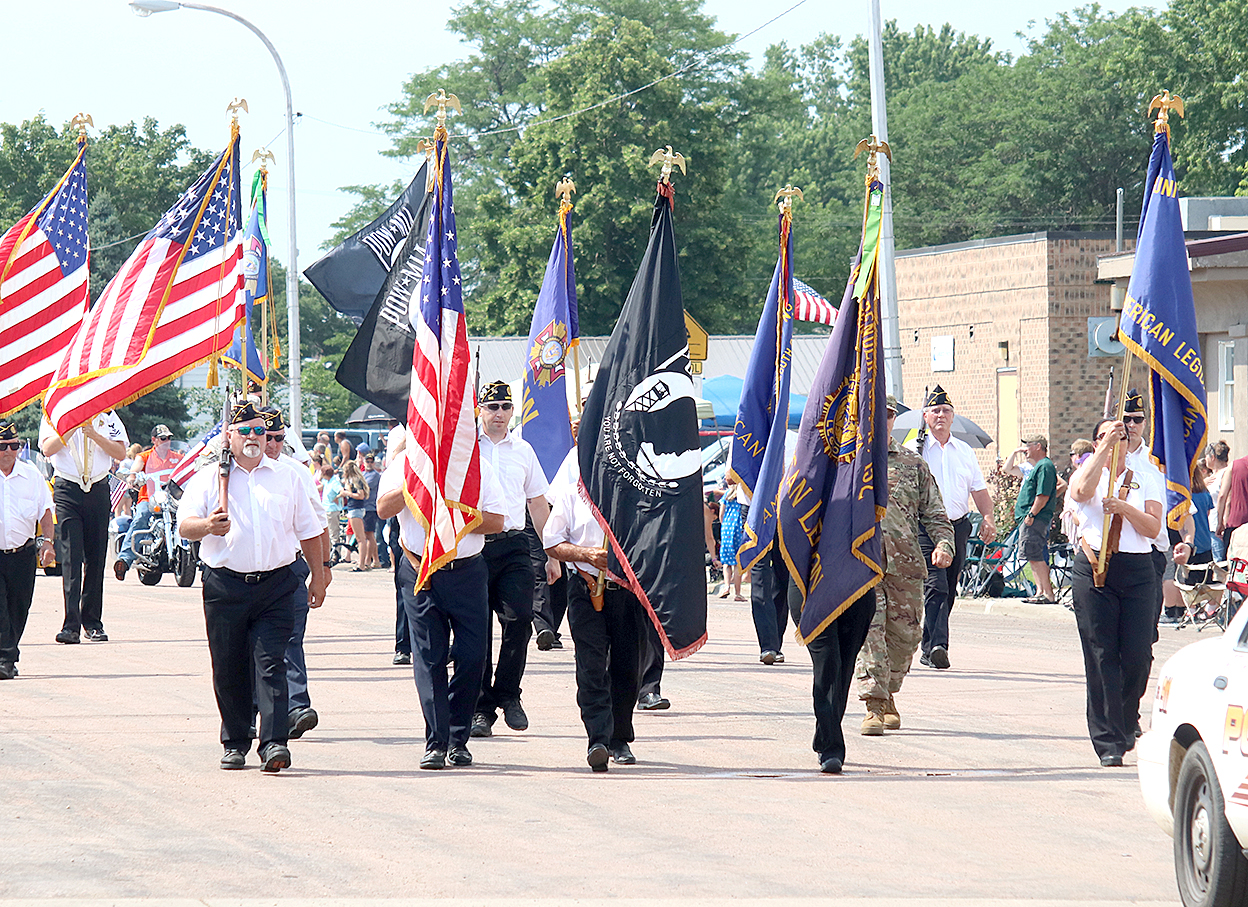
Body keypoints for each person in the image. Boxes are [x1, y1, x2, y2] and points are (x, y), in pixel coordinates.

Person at [178, 401, 327, 772]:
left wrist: (319, 576)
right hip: (225, 585)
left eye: (259, 431)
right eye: (244, 431)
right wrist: (208, 527)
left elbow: (309, 531)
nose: (254, 438)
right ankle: (235, 739)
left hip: (276, 584)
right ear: (229, 436)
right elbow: (186, 526)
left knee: (270, 662)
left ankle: (274, 742)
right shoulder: (209, 478)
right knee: (229, 667)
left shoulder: (287, 476)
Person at [376, 450, 506, 769]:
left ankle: (458, 738)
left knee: (473, 655)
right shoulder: (406, 464)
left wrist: (452, 509)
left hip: (466, 571)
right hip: (420, 569)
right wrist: (418, 487)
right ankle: (437, 741)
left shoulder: (476, 466)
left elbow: (498, 521)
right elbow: (382, 509)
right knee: (429, 656)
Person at [1067, 417, 1164, 767]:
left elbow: (1153, 527)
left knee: (1137, 656)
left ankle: (1126, 719)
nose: (1118, 442)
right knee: (1101, 654)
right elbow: (1080, 494)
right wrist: (1106, 447)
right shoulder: (1088, 472)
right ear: (1096, 442)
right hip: (1095, 569)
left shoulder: (1147, 475)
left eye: (1121, 437)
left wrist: (1124, 508)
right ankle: (1108, 739)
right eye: (1108, 437)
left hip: (1137, 569)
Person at [856, 397, 954, 734]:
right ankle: (873, 705)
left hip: (905, 564)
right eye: (872, 415)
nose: (879, 421)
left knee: (906, 637)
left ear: (893, 419)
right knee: (870, 632)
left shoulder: (913, 464)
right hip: (862, 565)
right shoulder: (849, 464)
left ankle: (889, 694)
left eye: (885, 416)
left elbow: (935, 513)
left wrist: (944, 543)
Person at [544, 447, 646, 771]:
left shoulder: (634, 493)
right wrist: (587, 555)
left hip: (627, 590)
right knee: (590, 666)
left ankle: (620, 737)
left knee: (628, 668)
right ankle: (598, 740)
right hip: (585, 587)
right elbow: (552, 542)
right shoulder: (574, 491)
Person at [470, 381, 555, 738]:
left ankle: (508, 693)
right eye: (493, 407)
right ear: (479, 410)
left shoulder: (523, 450)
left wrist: (553, 552)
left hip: (514, 545)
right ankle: (480, 708)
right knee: (475, 632)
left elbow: (537, 502)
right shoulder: (466, 448)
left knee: (519, 618)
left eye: (506, 407)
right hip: (473, 547)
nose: (500, 414)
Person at [911, 386, 996, 669]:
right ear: (925, 416)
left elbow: (979, 491)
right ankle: (939, 645)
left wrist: (988, 517)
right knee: (935, 585)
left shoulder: (964, 452)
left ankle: (928, 645)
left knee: (949, 586)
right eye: (935, 411)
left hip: (958, 526)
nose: (941, 416)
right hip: (926, 528)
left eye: (946, 411)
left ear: (952, 417)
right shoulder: (915, 449)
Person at [260, 407, 332, 741]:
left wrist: (323, 569)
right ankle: (258, 714)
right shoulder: (230, 471)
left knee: (291, 637)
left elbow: (318, 523)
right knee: (255, 648)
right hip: (248, 571)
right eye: (267, 437)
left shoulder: (295, 472)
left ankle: (298, 706)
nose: (272, 445)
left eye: (278, 438)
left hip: (291, 566)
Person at [39, 410, 129, 644]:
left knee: (96, 556)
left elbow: (120, 452)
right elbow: (48, 449)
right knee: (70, 556)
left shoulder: (107, 414)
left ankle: (92, 622)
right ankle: (71, 625)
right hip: (68, 487)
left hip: (98, 487)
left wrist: (94, 434)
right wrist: (70, 428)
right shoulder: (55, 411)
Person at [0, 422, 55, 679]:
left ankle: (8, 654)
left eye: (14, 445)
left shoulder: (32, 475)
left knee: (19, 607)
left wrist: (47, 543)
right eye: (3, 446)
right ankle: (7, 658)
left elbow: (45, 511)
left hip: (23, 553)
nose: (9, 451)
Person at [114, 424, 184, 581]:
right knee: (142, 516)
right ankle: (124, 560)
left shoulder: (176, 457)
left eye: (169, 438)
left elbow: (186, 468)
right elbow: (136, 469)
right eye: (163, 438)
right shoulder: (144, 456)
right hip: (149, 498)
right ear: (154, 440)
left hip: (172, 499)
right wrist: (133, 477)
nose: (167, 441)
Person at [1015, 435, 1058, 604]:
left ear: (1038, 446)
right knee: (1031, 554)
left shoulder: (1045, 466)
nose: (1025, 449)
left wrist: (1031, 514)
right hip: (1029, 518)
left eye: (1028, 446)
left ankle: (1048, 593)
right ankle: (1040, 591)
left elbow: (1043, 495)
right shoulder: (1038, 466)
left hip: (1036, 519)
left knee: (1036, 554)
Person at [717, 477, 747, 602]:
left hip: (727, 527)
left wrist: (723, 524)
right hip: (738, 527)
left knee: (726, 561)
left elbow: (721, 513)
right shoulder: (742, 496)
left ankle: (726, 586)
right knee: (737, 561)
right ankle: (738, 593)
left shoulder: (726, 496)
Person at [341, 460, 369, 570]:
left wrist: (347, 493)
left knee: (360, 538)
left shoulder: (354, 480)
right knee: (360, 538)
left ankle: (361, 564)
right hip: (355, 509)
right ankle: (362, 562)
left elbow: (360, 495)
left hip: (356, 509)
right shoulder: (355, 479)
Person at [1206, 440, 1231, 560]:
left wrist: (1222, 522)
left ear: (1212, 457)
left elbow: (1225, 498)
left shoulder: (1226, 473)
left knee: (1219, 562)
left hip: (1218, 525)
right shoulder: (1211, 477)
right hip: (1209, 525)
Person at [360, 453, 382, 570]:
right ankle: (376, 560)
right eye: (367, 461)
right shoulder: (363, 474)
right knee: (367, 534)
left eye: (370, 462)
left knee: (369, 534)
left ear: (373, 463)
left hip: (370, 508)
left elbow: (364, 487)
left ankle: (368, 560)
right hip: (363, 507)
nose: (369, 464)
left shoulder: (375, 475)